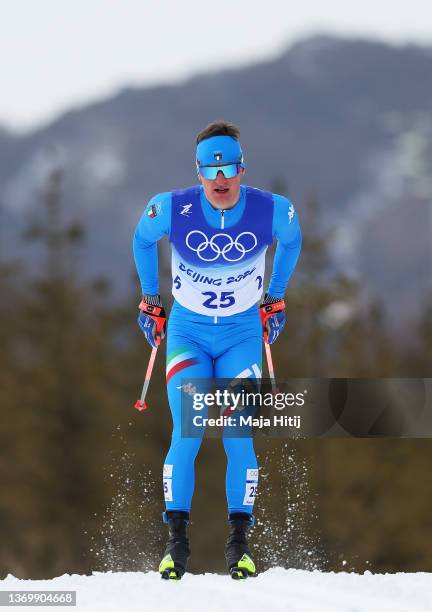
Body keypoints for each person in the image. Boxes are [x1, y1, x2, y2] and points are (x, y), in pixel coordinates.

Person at [133, 120, 302, 580]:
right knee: (187, 432)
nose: (221, 179)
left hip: (241, 335)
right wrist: (151, 298)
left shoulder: (272, 211)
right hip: (188, 333)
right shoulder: (170, 208)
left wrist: (275, 295)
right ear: (199, 173)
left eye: (229, 167)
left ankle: (239, 546)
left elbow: (293, 239)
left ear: (242, 168)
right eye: (212, 169)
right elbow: (142, 239)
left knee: (237, 434)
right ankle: (175, 547)